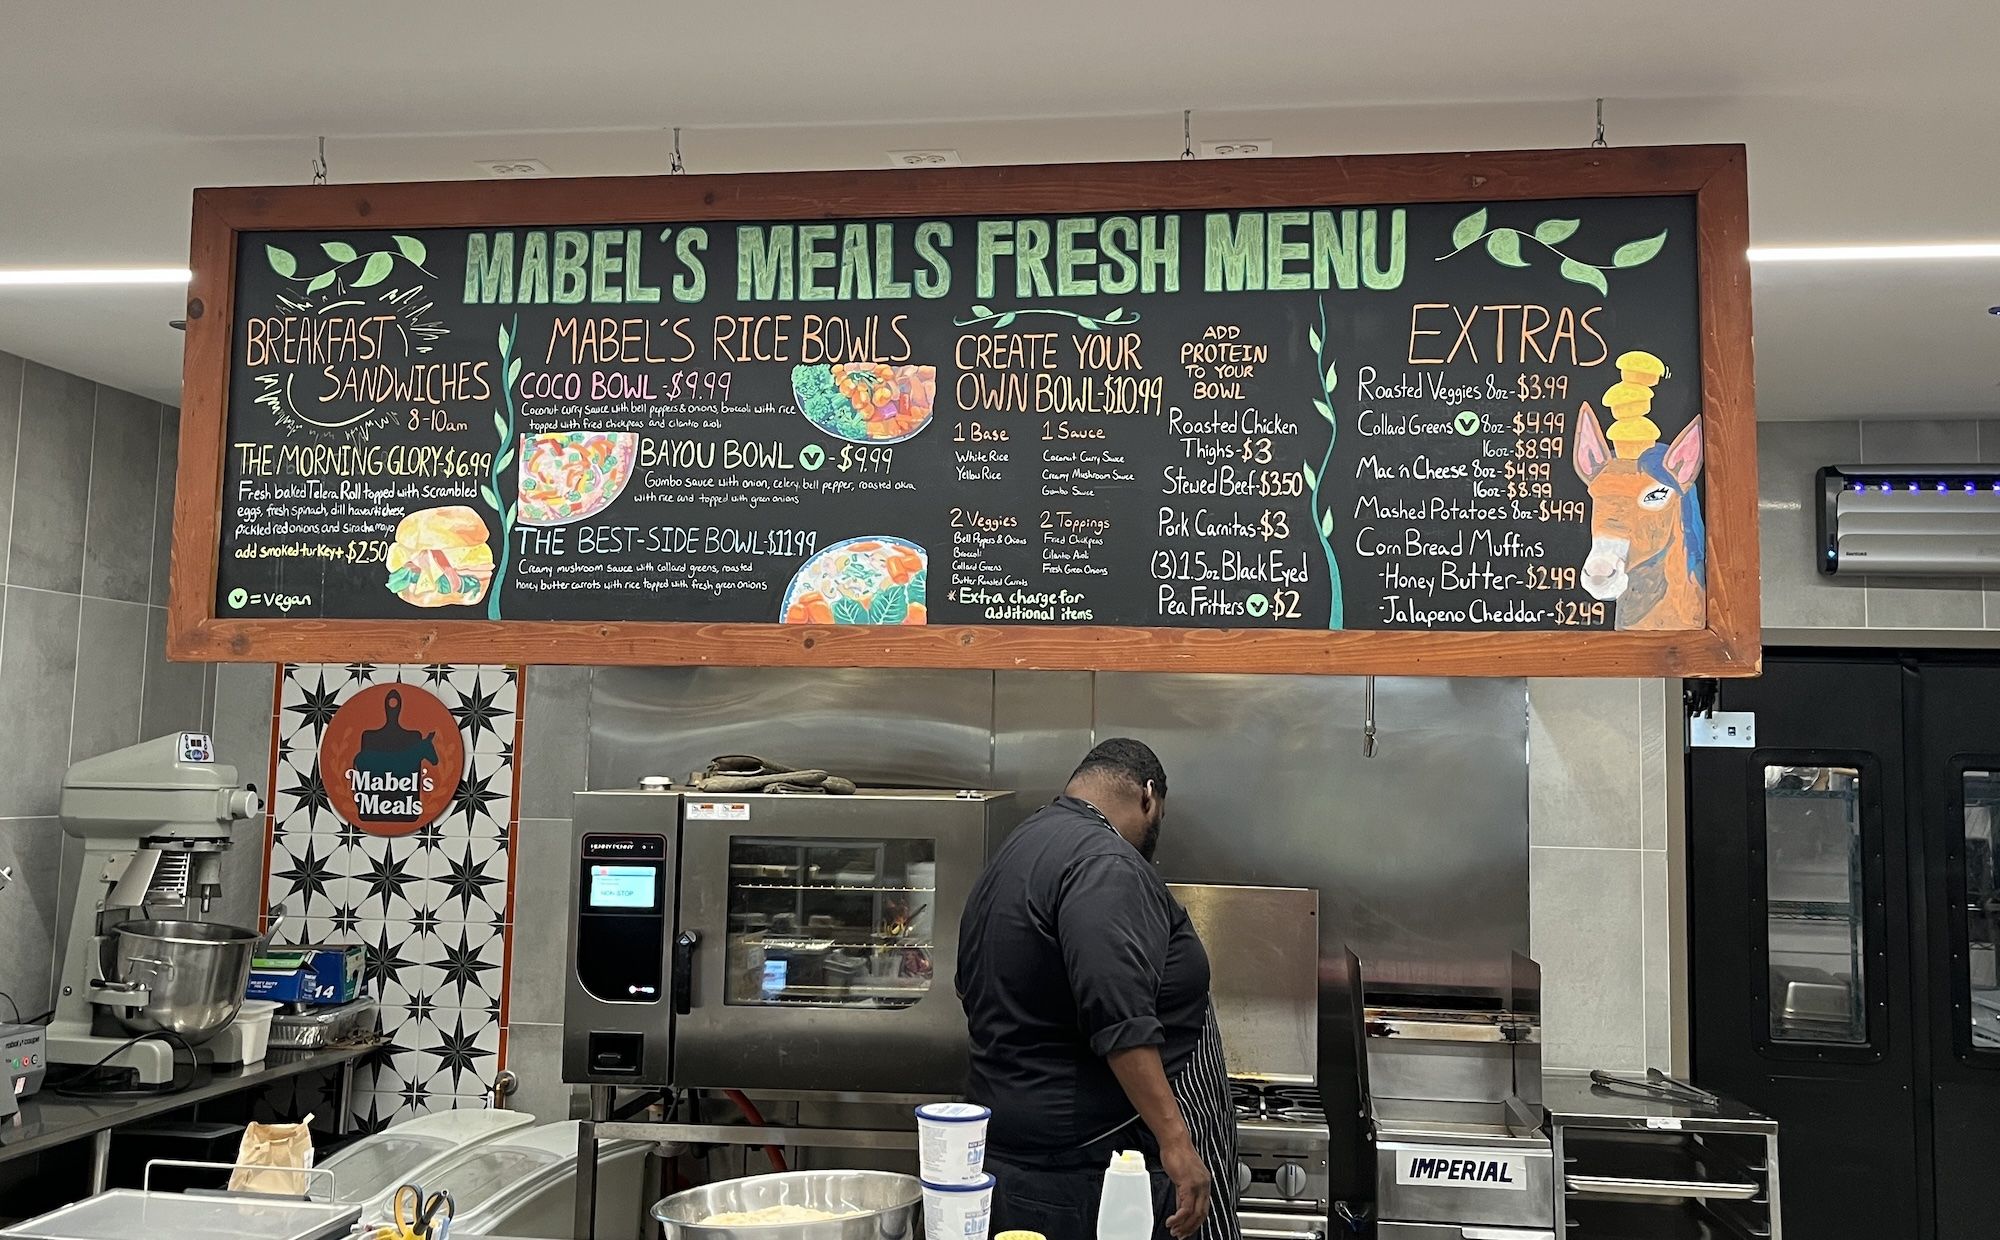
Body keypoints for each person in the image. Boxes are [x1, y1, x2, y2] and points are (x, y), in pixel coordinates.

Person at [957, 738, 1236, 1240]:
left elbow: (971, 987)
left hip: (1023, 1160)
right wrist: (1176, 1140)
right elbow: (1119, 1016)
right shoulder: (1105, 862)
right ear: (1148, 796)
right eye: (1159, 816)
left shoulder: (1020, 848)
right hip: (1091, 1175)